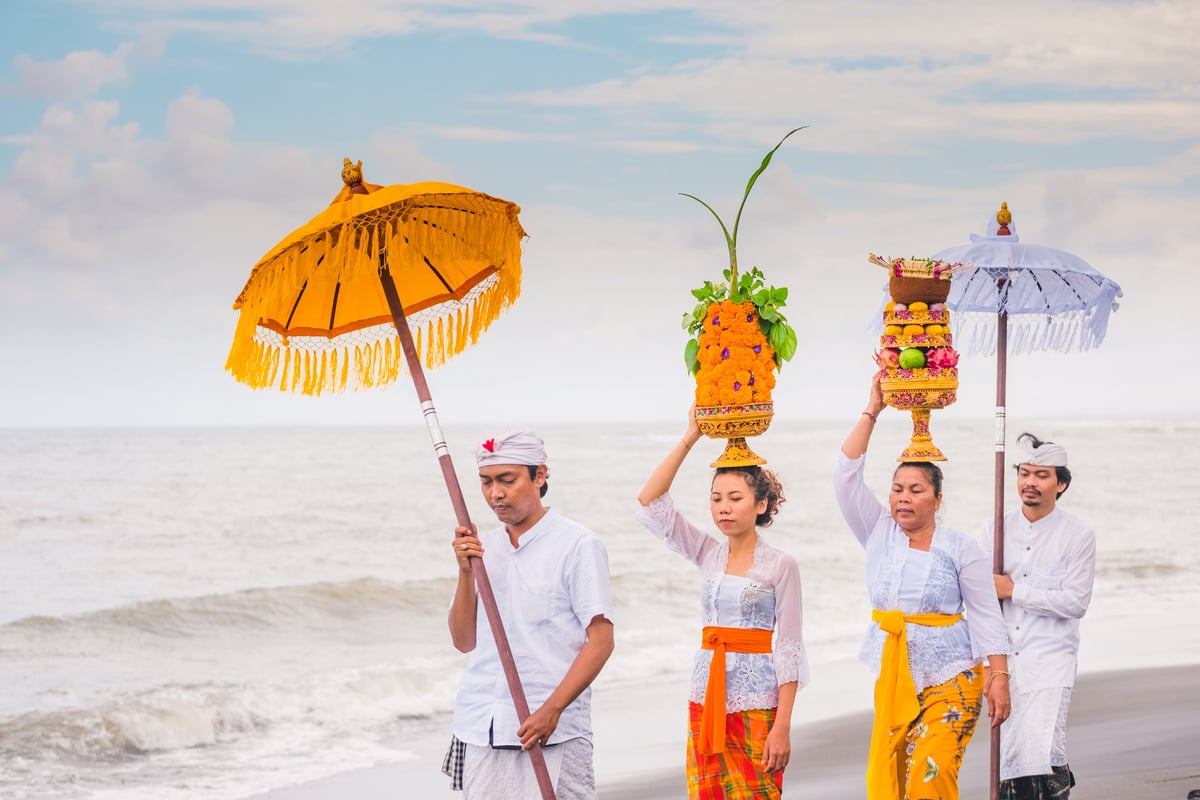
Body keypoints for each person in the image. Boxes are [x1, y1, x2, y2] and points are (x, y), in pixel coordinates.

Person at [834, 373, 1011, 800]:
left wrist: (999, 675)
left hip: (954, 676)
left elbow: (986, 613)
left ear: (937, 499)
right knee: (896, 781)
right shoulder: (877, 531)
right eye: (896, 489)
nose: (903, 498)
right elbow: (845, 477)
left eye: (916, 490)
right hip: (896, 681)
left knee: (931, 777)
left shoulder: (959, 546)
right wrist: (872, 411)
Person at [635, 408, 809, 799]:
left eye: (735, 498)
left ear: (761, 505)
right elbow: (650, 503)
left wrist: (783, 726)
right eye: (716, 499)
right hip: (706, 695)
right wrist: (690, 436)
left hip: (758, 699)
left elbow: (790, 648)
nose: (723, 508)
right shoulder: (707, 553)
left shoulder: (781, 565)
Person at [443, 428, 615, 799]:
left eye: (507, 480)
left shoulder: (577, 544)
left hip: (553, 727)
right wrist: (465, 571)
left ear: (539, 475)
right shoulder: (483, 547)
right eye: (486, 482)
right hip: (482, 721)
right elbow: (463, 641)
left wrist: (552, 709)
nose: (496, 494)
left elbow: (600, 640)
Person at [978, 432, 1096, 800]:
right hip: (1004, 660)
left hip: (1051, 658)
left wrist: (1015, 591)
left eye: (1041, 475)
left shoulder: (1078, 535)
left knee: (1043, 749)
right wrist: (986, 664)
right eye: (1024, 473)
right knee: (1011, 756)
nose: (1030, 482)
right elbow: (979, 603)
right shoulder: (993, 530)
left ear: (1061, 483)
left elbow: (1075, 602)